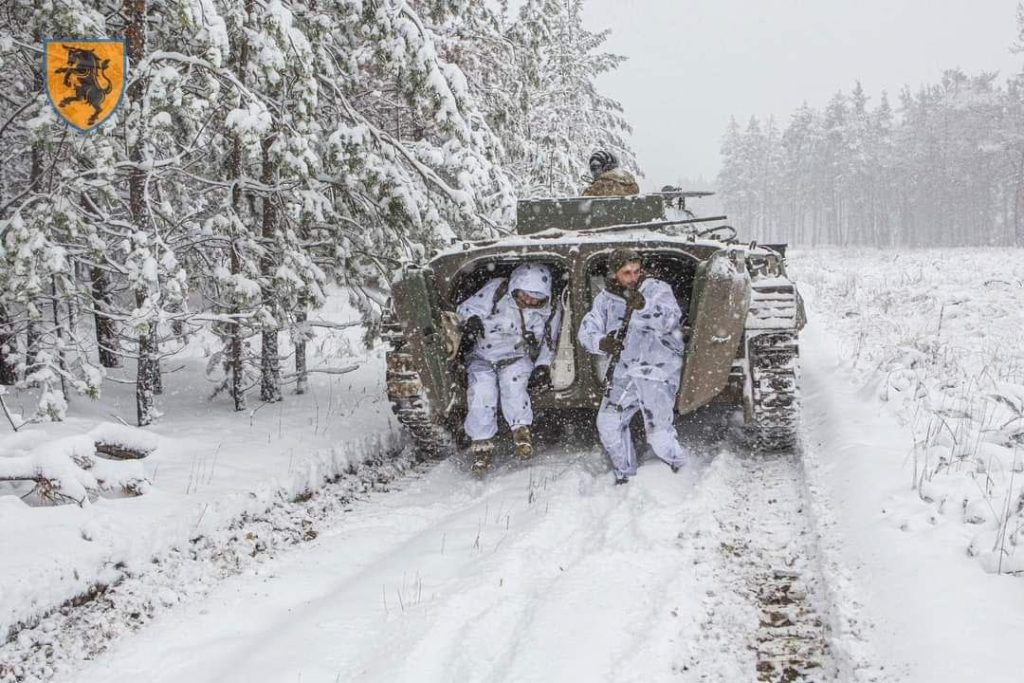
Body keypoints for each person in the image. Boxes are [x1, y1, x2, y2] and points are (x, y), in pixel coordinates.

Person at [578, 248, 687, 484]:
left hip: (657, 370)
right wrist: (602, 342)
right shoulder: (605, 299)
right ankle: (625, 475)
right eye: (626, 272)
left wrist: (645, 307)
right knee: (608, 424)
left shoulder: (657, 289)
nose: (633, 277)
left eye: (636, 271)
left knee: (659, 436)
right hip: (624, 373)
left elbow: (671, 321)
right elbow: (586, 331)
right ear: (614, 274)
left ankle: (679, 467)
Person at [456, 263, 563, 474]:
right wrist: (472, 321)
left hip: (516, 356)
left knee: (514, 387)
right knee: (480, 393)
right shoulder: (498, 291)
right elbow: (467, 309)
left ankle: (521, 432)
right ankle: (482, 446)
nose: (529, 301)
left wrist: (542, 366)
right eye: (525, 295)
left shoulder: (548, 311)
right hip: (482, 355)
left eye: (536, 298)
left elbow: (550, 341)